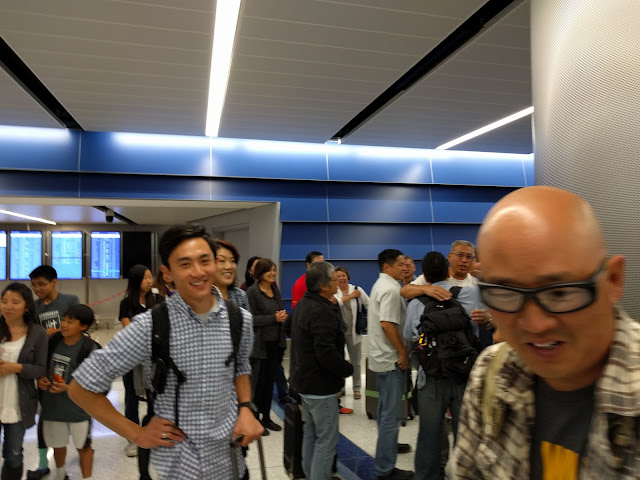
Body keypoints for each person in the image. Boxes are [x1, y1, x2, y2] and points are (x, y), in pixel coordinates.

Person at [451, 186, 639, 479]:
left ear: (613, 280)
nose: (536, 325)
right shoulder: (491, 373)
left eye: (560, 293)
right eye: (505, 293)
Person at [69, 224, 263, 480]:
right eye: (185, 264)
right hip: (176, 464)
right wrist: (136, 434)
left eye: (205, 261)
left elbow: (240, 367)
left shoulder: (240, 320)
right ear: (168, 273)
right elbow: (80, 387)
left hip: (228, 459)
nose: (198, 272)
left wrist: (246, 407)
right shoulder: (151, 325)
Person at [403, 252, 484, 480]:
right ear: (447, 272)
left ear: (425, 276)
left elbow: (410, 337)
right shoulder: (470, 294)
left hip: (431, 377)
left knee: (429, 434)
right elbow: (477, 328)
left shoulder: (416, 303)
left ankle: (428, 474)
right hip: (463, 375)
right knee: (465, 433)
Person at [286, 261, 353, 480]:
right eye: (334, 279)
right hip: (320, 386)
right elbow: (325, 353)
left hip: (304, 382)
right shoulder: (321, 311)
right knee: (326, 439)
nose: (339, 282)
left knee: (311, 433)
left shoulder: (303, 304)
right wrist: (347, 369)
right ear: (323, 286)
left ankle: (310, 474)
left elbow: (289, 328)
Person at [27, 265, 80, 480]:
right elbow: (31, 337)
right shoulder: (34, 307)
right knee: (46, 415)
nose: (37, 289)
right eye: (33, 285)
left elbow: (81, 326)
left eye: (41, 284)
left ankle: (83, 449)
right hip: (46, 366)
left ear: (54, 282)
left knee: (77, 412)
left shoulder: (70, 301)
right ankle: (43, 464)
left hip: (70, 364)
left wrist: (55, 331)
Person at [38, 304, 100, 480]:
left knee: (83, 446)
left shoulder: (90, 348)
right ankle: (60, 475)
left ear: (83, 326)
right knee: (57, 443)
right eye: (63, 320)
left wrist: (69, 388)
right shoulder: (53, 341)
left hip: (78, 410)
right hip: (53, 406)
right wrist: (42, 379)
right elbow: (44, 366)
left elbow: (96, 381)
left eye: (70, 322)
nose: (64, 325)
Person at [368, 249, 414, 480]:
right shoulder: (390, 289)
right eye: (400, 264)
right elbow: (387, 324)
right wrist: (403, 351)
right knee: (391, 415)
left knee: (385, 410)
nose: (404, 268)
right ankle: (385, 469)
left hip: (381, 357)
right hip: (390, 359)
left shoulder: (381, 285)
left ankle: (389, 446)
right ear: (387, 266)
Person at [0, 282, 48, 480]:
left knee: (12, 453)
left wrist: (15, 367)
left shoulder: (37, 334)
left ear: (26, 306)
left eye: (15, 302)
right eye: (4, 301)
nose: (8, 306)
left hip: (18, 402)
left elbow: (40, 369)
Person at [119, 265, 165, 459]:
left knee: (155, 395)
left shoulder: (159, 300)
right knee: (131, 396)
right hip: (132, 357)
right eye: (145, 277)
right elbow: (128, 330)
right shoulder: (126, 304)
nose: (149, 281)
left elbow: (163, 327)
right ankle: (133, 437)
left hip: (155, 357)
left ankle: (154, 433)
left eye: (150, 277)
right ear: (136, 280)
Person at [246, 258, 288, 434]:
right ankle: (255, 419)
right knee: (258, 385)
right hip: (260, 345)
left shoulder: (274, 289)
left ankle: (266, 417)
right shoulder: (252, 292)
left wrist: (282, 316)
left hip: (275, 344)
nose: (272, 273)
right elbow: (250, 319)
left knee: (270, 383)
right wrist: (274, 318)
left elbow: (278, 311)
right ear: (260, 273)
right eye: (269, 270)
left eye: (274, 270)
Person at [334, 266, 369, 400]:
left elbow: (369, 304)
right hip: (338, 333)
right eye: (338, 276)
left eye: (343, 275)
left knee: (356, 362)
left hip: (354, 332)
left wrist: (369, 322)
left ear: (347, 276)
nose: (341, 278)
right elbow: (336, 303)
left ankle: (356, 388)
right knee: (339, 362)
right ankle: (340, 388)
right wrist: (351, 297)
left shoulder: (357, 290)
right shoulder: (333, 291)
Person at [213, 240, 249, 311]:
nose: (229, 266)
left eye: (233, 261)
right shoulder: (202, 297)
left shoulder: (240, 295)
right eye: (222, 261)